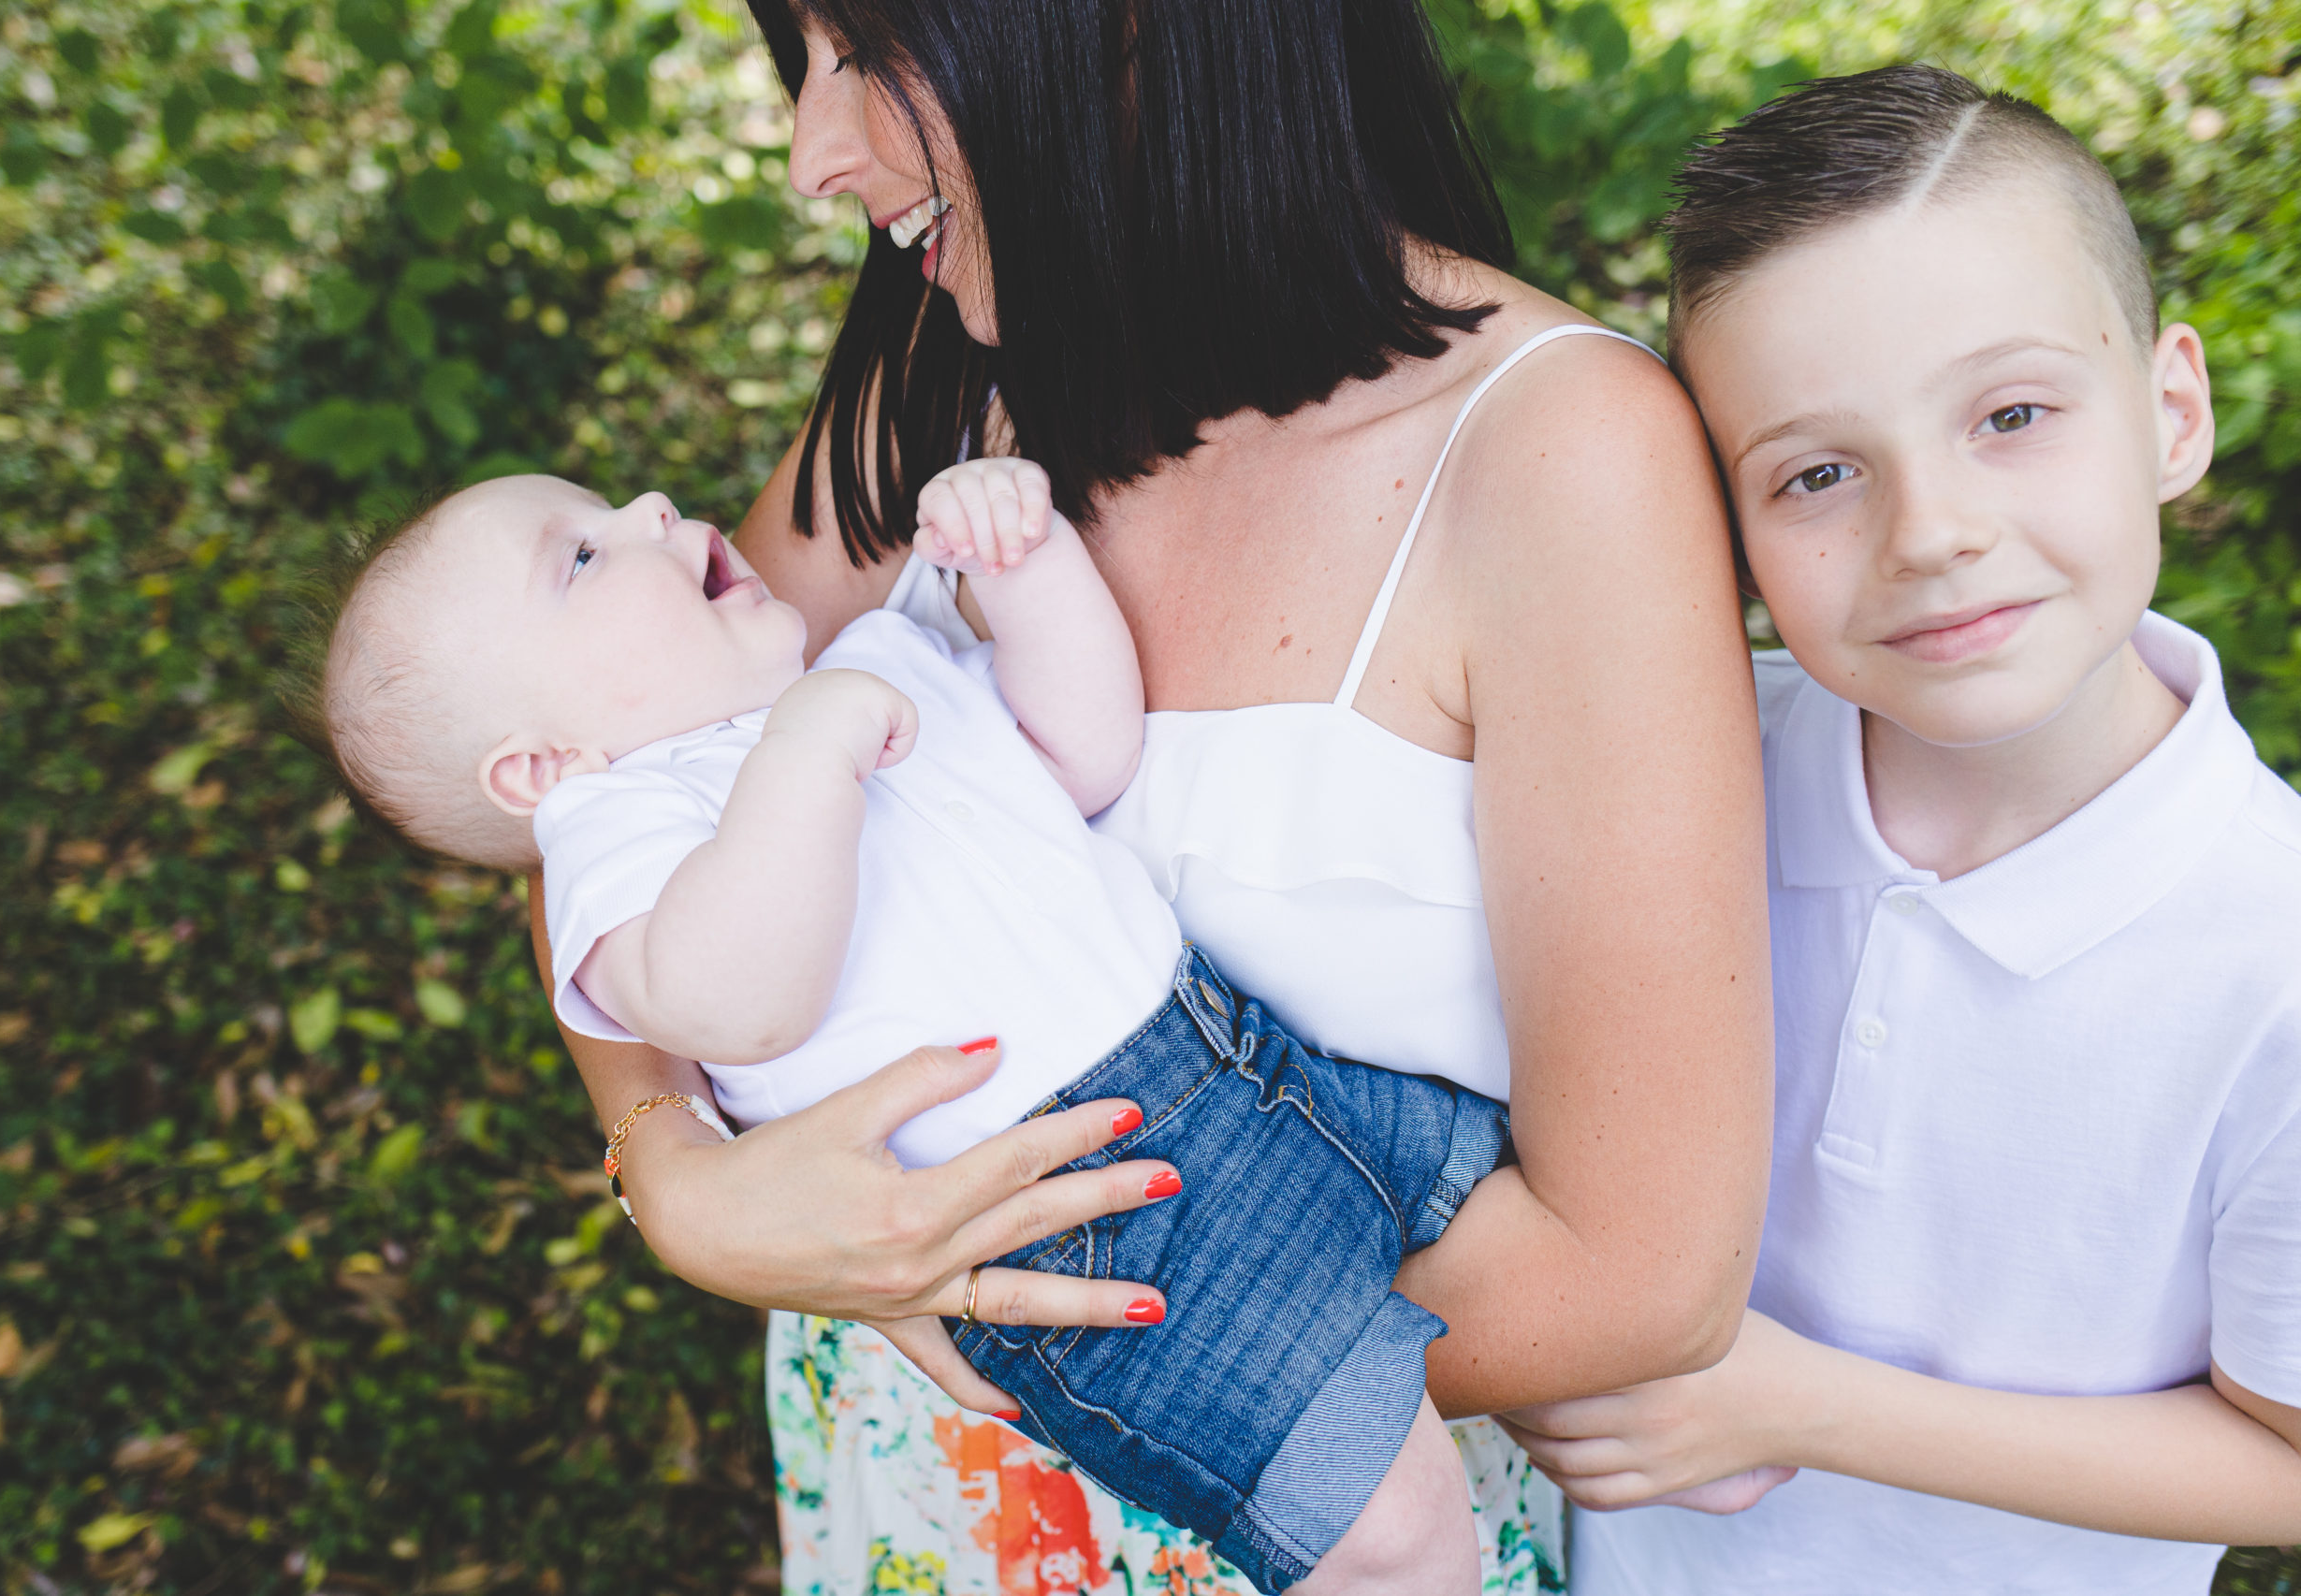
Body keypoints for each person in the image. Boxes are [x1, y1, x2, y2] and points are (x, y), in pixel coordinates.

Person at [535, 0, 1775, 1589]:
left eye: (866, 53)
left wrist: (1009, 1337)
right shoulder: (944, 368)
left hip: (1321, 1523)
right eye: (803, 62)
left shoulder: (1558, 456)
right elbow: (599, 777)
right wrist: (684, 1182)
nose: (811, 153)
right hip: (909, 1505)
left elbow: (1644, 1273)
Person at [309, 457, 1519, 1591]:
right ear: (540, 769)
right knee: (1387, 1519)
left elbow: (1082, 747)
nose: (653, 508)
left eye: (612, 505)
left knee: (1521, 1200)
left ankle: (1689, 1451)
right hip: (1080, 1214)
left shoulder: (876, 658)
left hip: (1246, 1057)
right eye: (579, 559)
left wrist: (1022, 565)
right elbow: (736, 998)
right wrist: (807, 748)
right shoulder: (621, 832)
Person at [1497, 66, 2301, 1595]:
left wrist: (1803, 1405)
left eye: (2012, 413)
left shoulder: (2275, 953)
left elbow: (2288, 1456)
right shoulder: (1660, 762)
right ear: (1723, 536)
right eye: (1817, 472)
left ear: (2172, 412)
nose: (1929, 529)